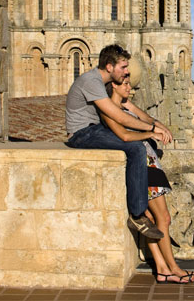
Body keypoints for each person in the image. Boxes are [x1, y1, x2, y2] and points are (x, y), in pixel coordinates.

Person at [65, 44, 171, 240]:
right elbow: (119, 118)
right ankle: (138, 214)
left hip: (93, 129)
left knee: (145, 144)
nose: (126, 71)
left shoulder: (102, 84)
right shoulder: (91, 81)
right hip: (82, 134)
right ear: (109, 67)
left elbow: (130, 108)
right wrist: (151, 130)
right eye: (123, 67)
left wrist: (157, 125)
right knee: (136, 148)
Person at [103, 74, 194, 285]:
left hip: (151, 163)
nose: (130, 87)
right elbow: (125, 136)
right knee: (163, 218)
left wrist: (159, 127)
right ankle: (174, 268)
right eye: (125, 84)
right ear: (113, 86)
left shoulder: (125, 104)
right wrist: (150, 134)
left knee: (150, 220)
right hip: (143, 167)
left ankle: (162, 268)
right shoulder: (109, 110)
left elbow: (146, 118)